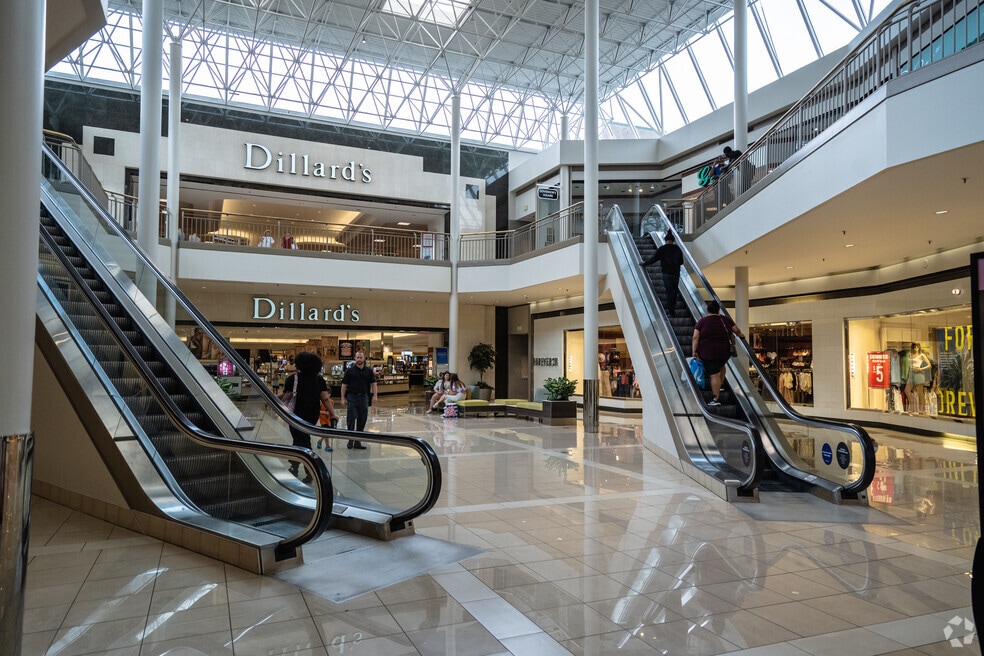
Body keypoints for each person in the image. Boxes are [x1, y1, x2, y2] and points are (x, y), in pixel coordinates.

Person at [279, 351, 334, 482]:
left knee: (300, 440)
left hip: (295, 414)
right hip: (312, 414)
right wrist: (333, 414)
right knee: (302, 438)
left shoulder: (292, 379)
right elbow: (325, 398)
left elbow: (286, 397)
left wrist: (270, 399)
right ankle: (299, 467)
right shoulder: (319, 379)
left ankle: (306, 468)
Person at [691, 300, 744, 407]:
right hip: (724, 351)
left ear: (708, 310)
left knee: (714, 374)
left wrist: (694, 351)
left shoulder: (702, 321)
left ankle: (716, 398)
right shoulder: (725, 320)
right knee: (721, 365)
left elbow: (695, 337)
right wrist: (742, 336)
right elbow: (737, 331)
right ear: (718, 310)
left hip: (708, 352)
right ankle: (721, 384)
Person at [639, 230, 685, 313]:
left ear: (665, 240)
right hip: (676, 274)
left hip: (666, 273)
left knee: (669, 291)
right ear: (673, 240)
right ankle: (673, 308)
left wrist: (645, 263)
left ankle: (670, 310)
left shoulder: (662, 249)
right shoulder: (677, 249)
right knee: (674, 291)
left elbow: (654, 259)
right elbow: (681, 262)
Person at [340, 350, 377, 449]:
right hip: (352, 396)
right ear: (355, 359)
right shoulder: (350, 371)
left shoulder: (369, 371)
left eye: (361, 357)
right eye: (357, 357)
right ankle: (350, 439)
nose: (359, 359)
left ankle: (358, 441)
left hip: (364, 397)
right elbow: (344, 385)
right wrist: (343, 398)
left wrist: (375, 396)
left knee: (362, 419)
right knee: (351, 418)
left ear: (364, 358)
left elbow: (374, 384)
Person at [905, 342, 932, 414]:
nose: (916, 348)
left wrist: (921, 369)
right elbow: (909, 366)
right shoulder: (910, 355)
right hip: (911, 373)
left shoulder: (922, 355)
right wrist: (907, 375)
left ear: (919, 347)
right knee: (907, 391)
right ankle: (912, 407)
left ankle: (921, 410)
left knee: (920, 392)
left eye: (917, 347)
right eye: (914, 347)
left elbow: (929, 365)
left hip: (919, 374)